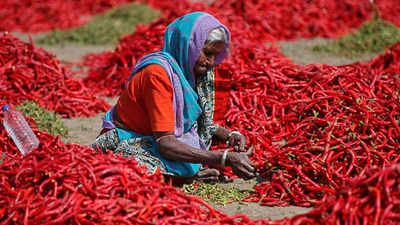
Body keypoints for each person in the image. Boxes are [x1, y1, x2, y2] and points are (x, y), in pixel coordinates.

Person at [91, 11, 255, 182]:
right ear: (188, 46)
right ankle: (180, 178)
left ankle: (182, 173)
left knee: (192, 153)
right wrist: (223, 159)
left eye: (214, 55)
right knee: (132, 172)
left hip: (159, 136)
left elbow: (192, 120)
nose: (210, 62)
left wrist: (229, 135)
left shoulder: (189, 72)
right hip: (129, 138)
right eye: (206, 53)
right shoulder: (157, 74)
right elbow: (166, 143)